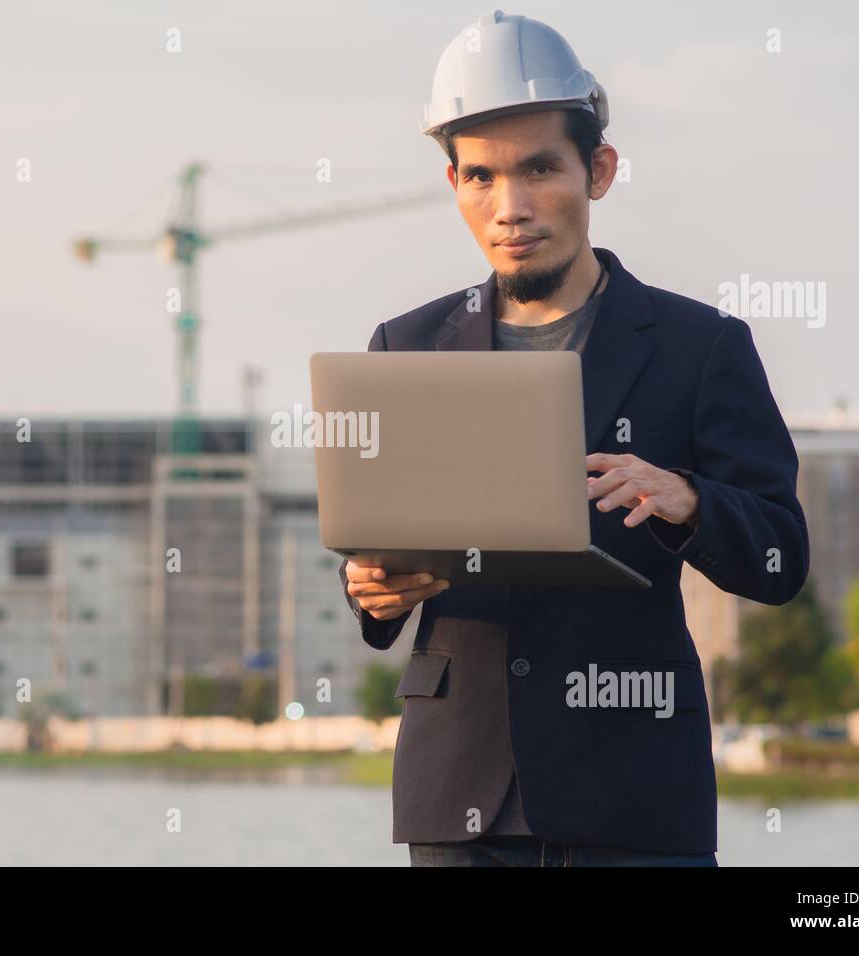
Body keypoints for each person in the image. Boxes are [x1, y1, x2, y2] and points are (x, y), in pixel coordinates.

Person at [339, 11, 810, 867]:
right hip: (460, 798)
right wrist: (369, 587)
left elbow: (781, 557)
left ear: (598, 170)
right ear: (452, 184)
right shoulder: (403, 348)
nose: (509, 207)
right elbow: (376, 555)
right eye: (479, 176)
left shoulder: (699, 347)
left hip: (634, 797)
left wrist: (691, 499)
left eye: (539, 169)